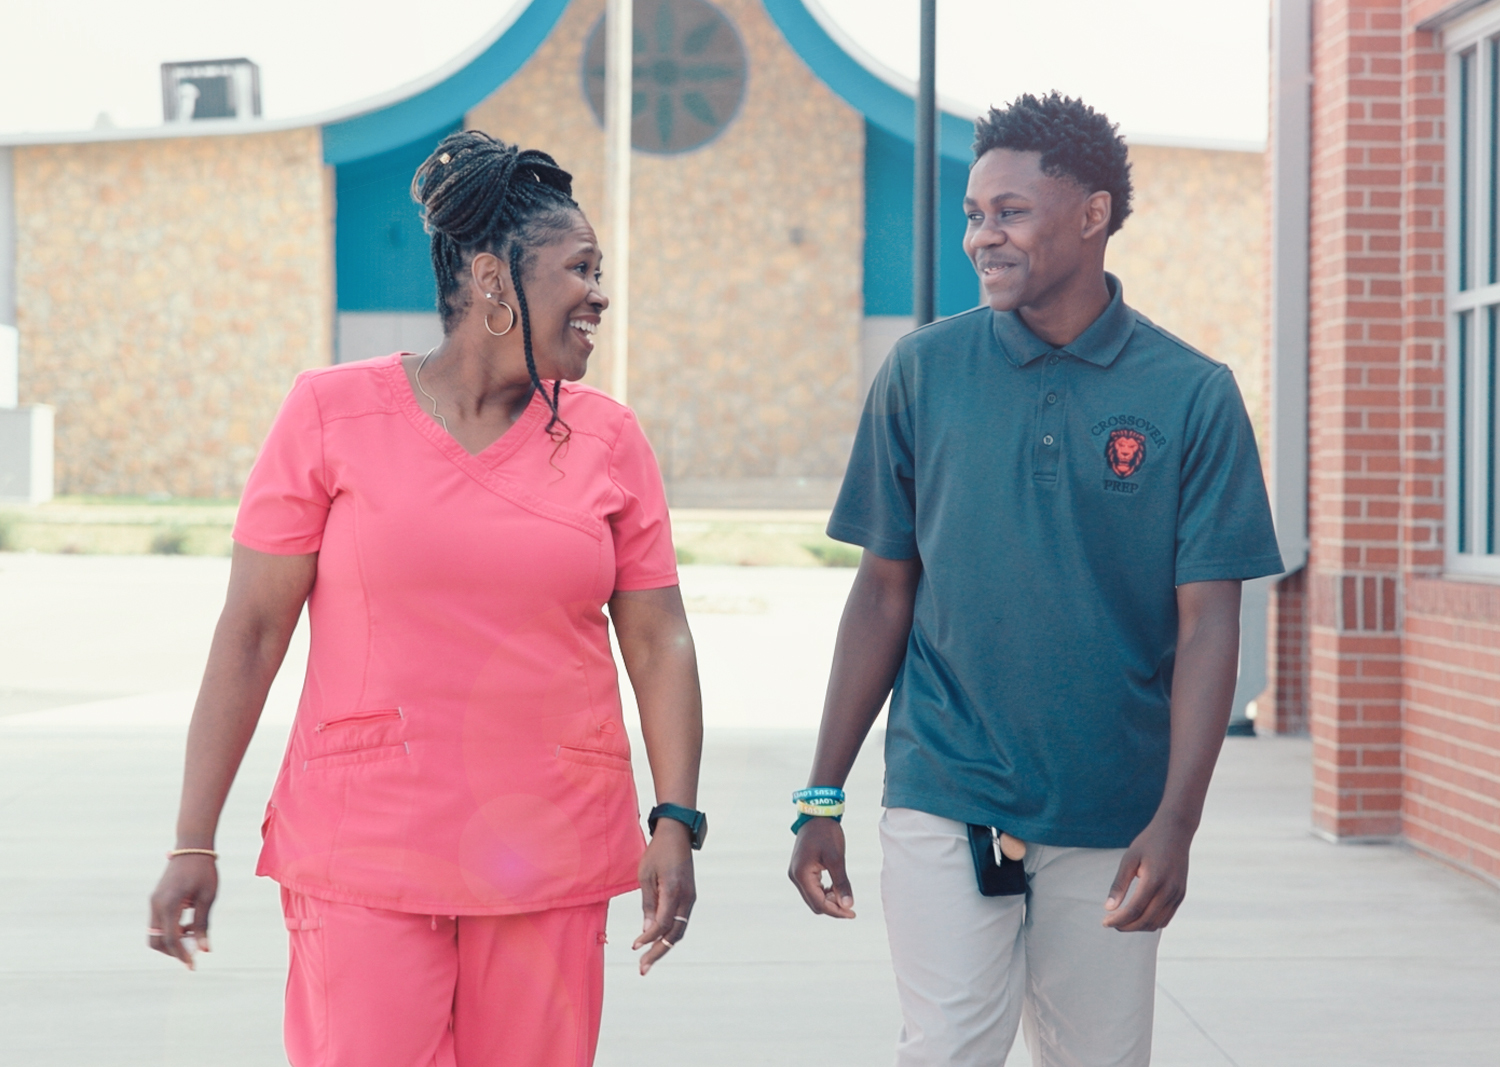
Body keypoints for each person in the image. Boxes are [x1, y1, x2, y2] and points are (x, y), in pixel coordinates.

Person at [147, 131, 707, 1067]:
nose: (599, 294)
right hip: (365, 847)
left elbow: (659, 640)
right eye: (580, 269)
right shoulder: (328, 413)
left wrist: (676, 817)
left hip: (549, 848)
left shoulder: (611, 439)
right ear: (494, 281)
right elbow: (250, 634)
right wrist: (191, 840)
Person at [788, 93, 1283, 1067]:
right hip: (945, 781)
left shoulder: (1192, 393)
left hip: (1111, 806)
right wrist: (822, 792)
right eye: (974, 214)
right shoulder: (923, 371)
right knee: (948, 1047)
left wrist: (1177, 819)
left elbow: (1210, 628)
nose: (982, 236)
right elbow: (884, 593)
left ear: (1091, 213)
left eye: (1008, 211)